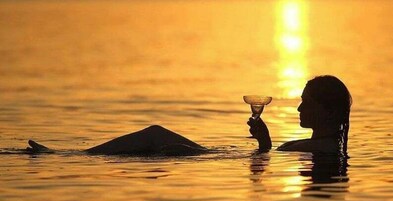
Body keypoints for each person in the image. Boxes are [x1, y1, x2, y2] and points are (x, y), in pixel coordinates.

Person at [27, 75, 351, 156]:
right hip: (222, 158)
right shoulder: (319, 147)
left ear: (329, 110)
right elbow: (264, 160)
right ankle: (73, 154)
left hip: (218, 161)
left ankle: (72, 155)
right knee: (154, 139)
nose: (298, 108)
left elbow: (263, 165)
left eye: (306, 102)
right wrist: (264, 143)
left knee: (155, 135)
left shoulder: (319, 150)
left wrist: (264, 148)